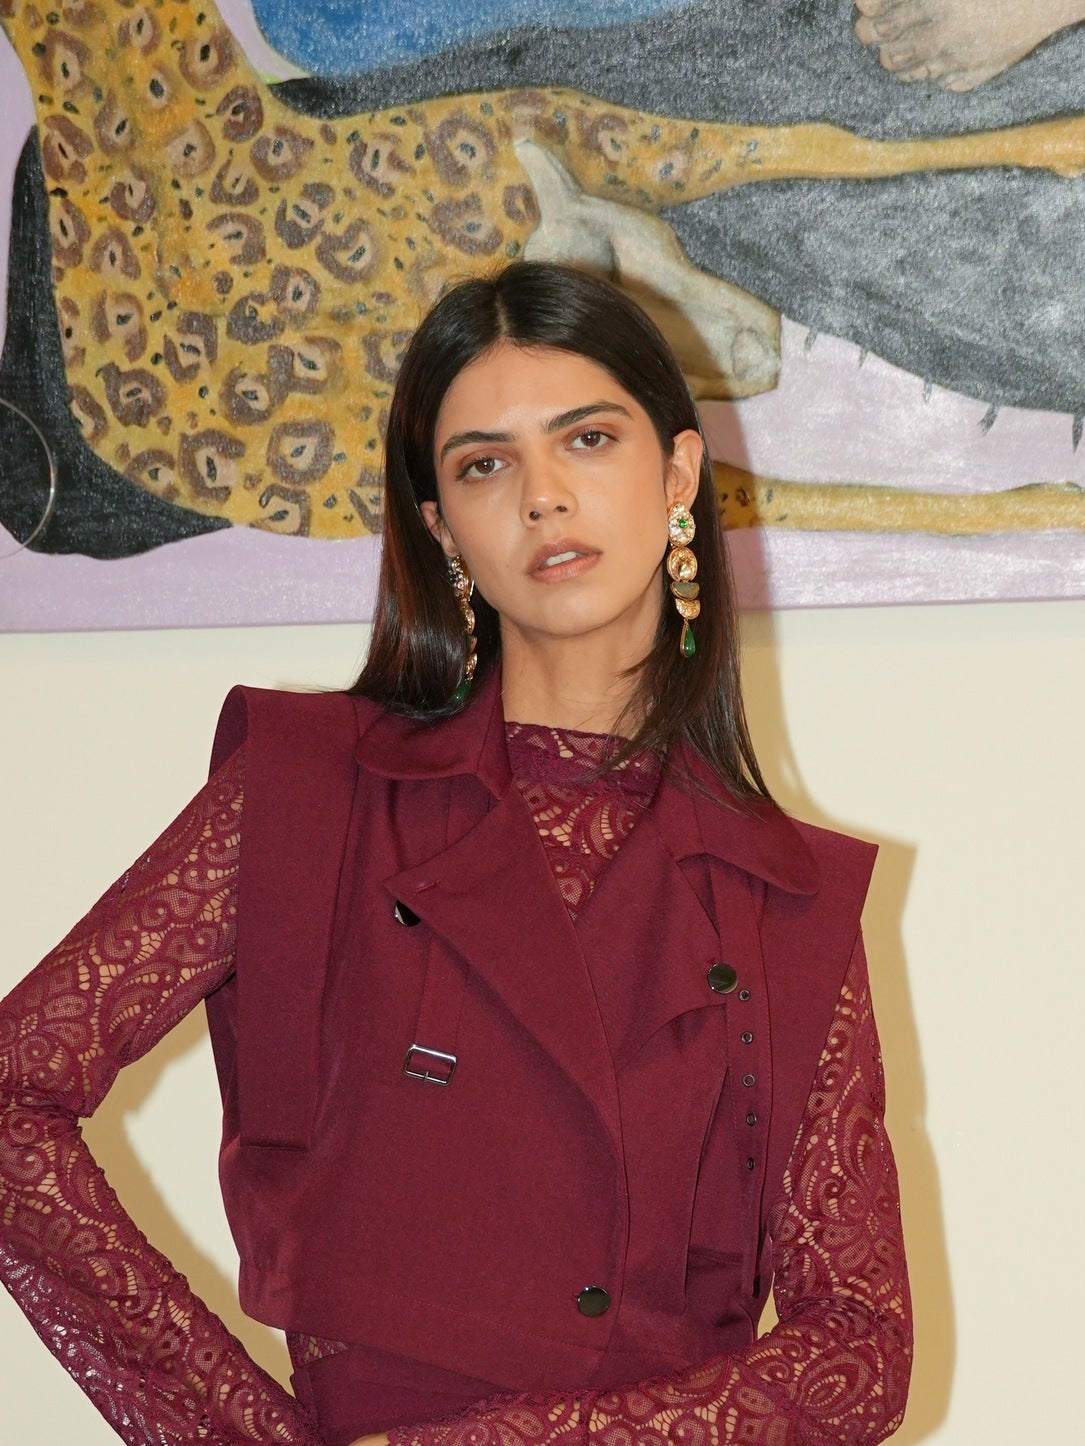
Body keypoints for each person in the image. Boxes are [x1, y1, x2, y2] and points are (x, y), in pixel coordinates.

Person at [0, 261, 912, 1446]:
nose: (543, 496)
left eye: (587, 439)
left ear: (678, 475)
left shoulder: (781, 896)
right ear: (440, 527)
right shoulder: (307, 796)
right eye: (485, 464)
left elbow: (860, 1347)